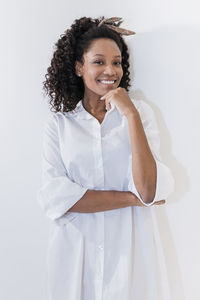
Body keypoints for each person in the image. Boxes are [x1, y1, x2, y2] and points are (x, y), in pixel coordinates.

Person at [37, 16, 174, 300]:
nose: (110, 70)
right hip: (76, 259)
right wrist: (130, 199)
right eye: (99, 61)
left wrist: (130, 113)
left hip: (132, 256)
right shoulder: (60, 125)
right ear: (79, 67)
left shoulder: (140, 115)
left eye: (117, 62)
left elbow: (148, 189)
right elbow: (58, 199)